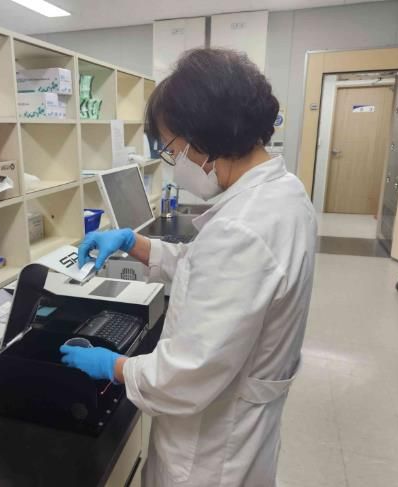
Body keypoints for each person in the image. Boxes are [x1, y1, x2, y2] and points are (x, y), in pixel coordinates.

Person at [60, 48, 317, 486]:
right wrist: (135, 243)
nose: (172, 160)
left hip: (210, 453)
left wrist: (115, 366)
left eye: (171, 148)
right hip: (242, 427)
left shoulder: (242, 228)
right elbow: (209, 271)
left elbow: (185, 375)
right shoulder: (282, 193)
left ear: (204, 137)